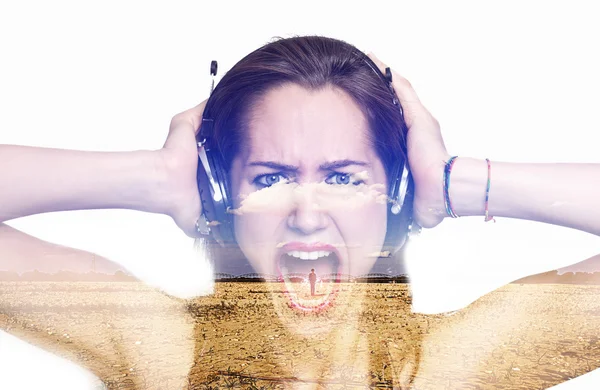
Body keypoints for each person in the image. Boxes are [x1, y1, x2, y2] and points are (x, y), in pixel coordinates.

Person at [1, 35, 600, 389]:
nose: (307, 213)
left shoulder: (445, 371)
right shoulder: (162, 354)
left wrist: (452, 183)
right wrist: (159, 178)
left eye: (342, 177)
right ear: (219, 198)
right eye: (271, 178)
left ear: (394, 197)